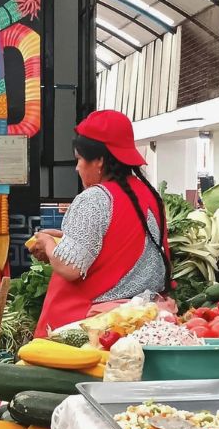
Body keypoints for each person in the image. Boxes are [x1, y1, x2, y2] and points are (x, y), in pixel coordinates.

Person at [29, 109, 170, 338]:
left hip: (92, 330)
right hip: (143, 322)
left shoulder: (94, 198)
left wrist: (46, 242)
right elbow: (118, 247)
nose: (76, 168)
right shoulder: (151, 196)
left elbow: (69, 267)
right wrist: (65, 240)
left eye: (79, 159)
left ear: (99, 161)